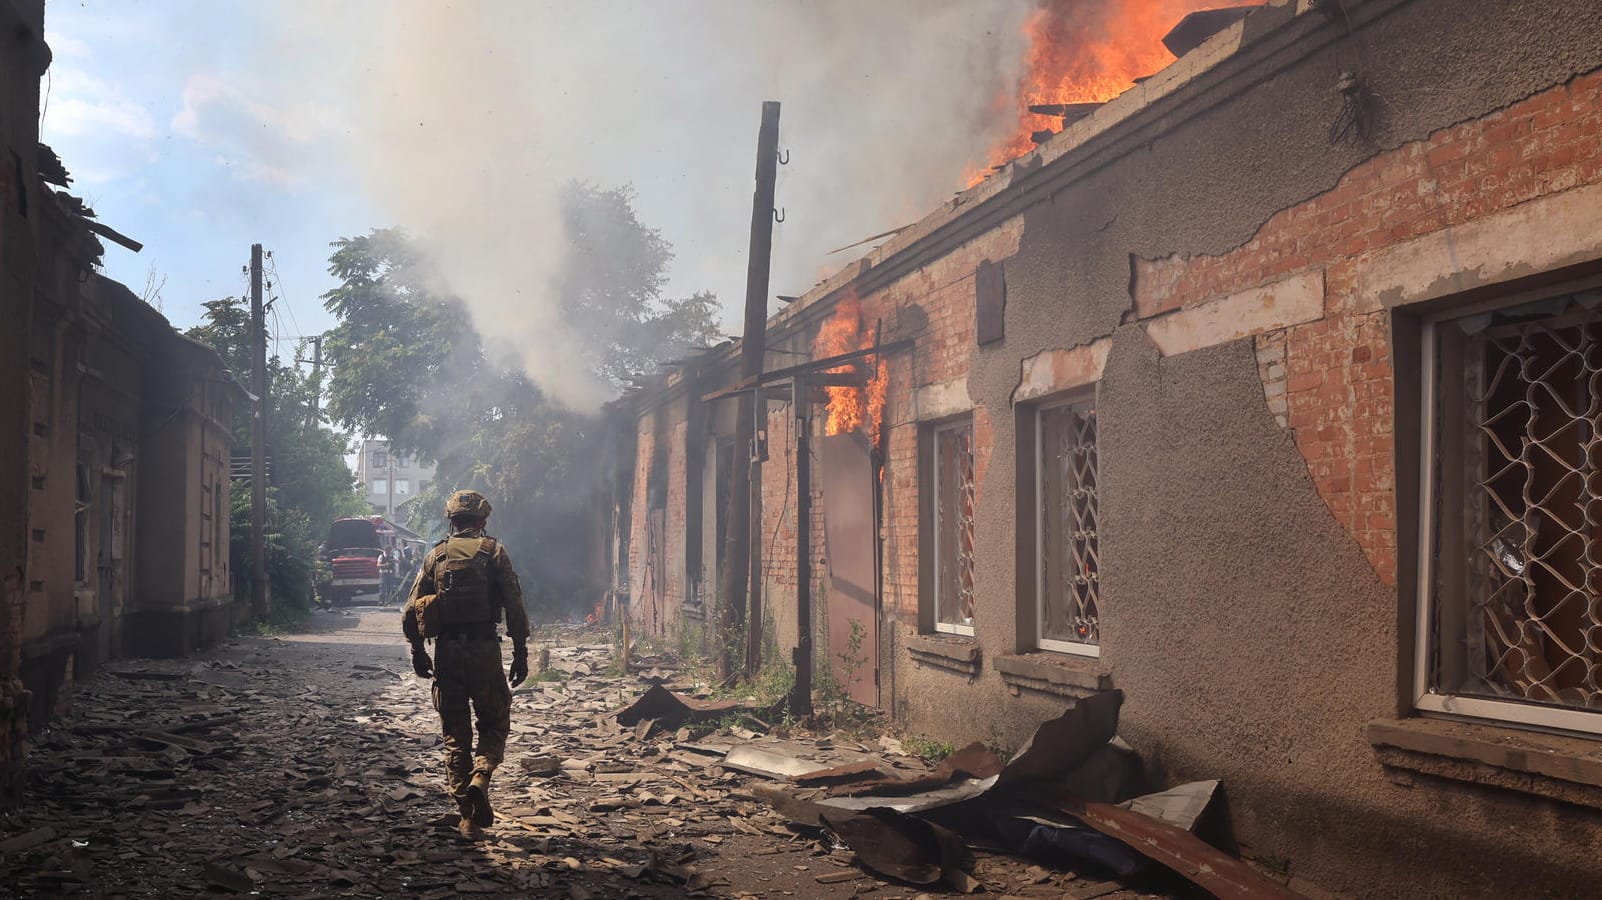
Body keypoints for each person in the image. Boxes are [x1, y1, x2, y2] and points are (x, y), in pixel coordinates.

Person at [402, 490, 530, 840]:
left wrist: (418, 652)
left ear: (451, 521)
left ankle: (468, 817)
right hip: (485, 651)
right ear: (482, 521)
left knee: (455, 737)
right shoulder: (494, 553)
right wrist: (521, 653)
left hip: (447, 655)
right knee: (495, 722)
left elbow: (410, 613)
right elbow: (515, 608)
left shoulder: (436, 557)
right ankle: (482, 775)